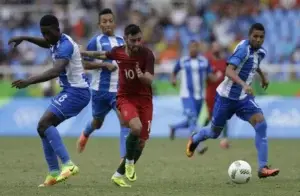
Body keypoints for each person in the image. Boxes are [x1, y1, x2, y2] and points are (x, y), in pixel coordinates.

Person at [186, 23, 280, 178]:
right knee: (214, 132)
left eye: (261, 37)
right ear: (249, 36)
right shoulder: (243, 50)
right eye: (255, 36)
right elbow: (229, 70)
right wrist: (243, 84)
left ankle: (263, 168)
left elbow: (254, 65)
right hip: (225, 98)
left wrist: (263, 76)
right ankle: (195, 138)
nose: (258, 39)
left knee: (261, 124)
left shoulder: (261, 52)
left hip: (243, 99)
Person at [8, 14, 90, 186]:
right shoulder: (56, 41)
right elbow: (46, 43)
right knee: (42, 127)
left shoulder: (65, 46)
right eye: (42, 33)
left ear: (57, 30)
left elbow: (55, 71)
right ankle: (53, 172)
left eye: (48, 33)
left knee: (45, 124)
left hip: (77, 92)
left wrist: (29, 81)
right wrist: (25, 37)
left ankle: (68, 164)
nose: (46, 37)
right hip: (71, 91)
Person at [80, 24, 154, 187]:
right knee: (135, 128)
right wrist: (82, 53)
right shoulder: (118, 52)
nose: (137, 43)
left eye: (139, 40)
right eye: (133, 40)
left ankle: (118, 174)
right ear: (126, 39)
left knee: (141, 143)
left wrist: (142, 77)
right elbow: (100, 54)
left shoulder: (147, 54)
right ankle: (129, 161)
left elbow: (150, 79)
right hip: (125, 98)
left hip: (145, 100)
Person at [76, 8, 130, 160]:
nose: (108, 24)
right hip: (99, 91)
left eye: (110, 21)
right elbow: (84, 64)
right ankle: (85, 133)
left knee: (124, 122)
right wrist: (104, 65)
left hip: (118, 91)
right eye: (104, 22)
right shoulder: (96, 41)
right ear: (99, 25)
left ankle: (123, 162)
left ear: (114, 23)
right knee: (98, 122)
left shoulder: (121, 41)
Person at [169, 40, 222, 154]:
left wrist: (217, 76)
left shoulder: (204, 61)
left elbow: (211, 76)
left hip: (199, 96)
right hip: (186, 96)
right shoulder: (183, 61)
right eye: (191, 47)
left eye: (195, 47)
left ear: (198, 48)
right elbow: (174, 71)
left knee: (191, 121)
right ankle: (197, 144)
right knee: (192, 119)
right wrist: (173, 79)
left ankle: (174, 128)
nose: (193, 49)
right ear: (188, 49)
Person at [205, 41, 230, 149]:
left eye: (218, 47)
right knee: (210, 117)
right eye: (214, 47)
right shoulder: (207, 61)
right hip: (210, 93)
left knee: (223, 115)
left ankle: (224, 139)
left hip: (222, 93)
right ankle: (199, 135)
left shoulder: (224, 62)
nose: (217, 49)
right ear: (211, 48)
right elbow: (207, 77)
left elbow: (228, 76)